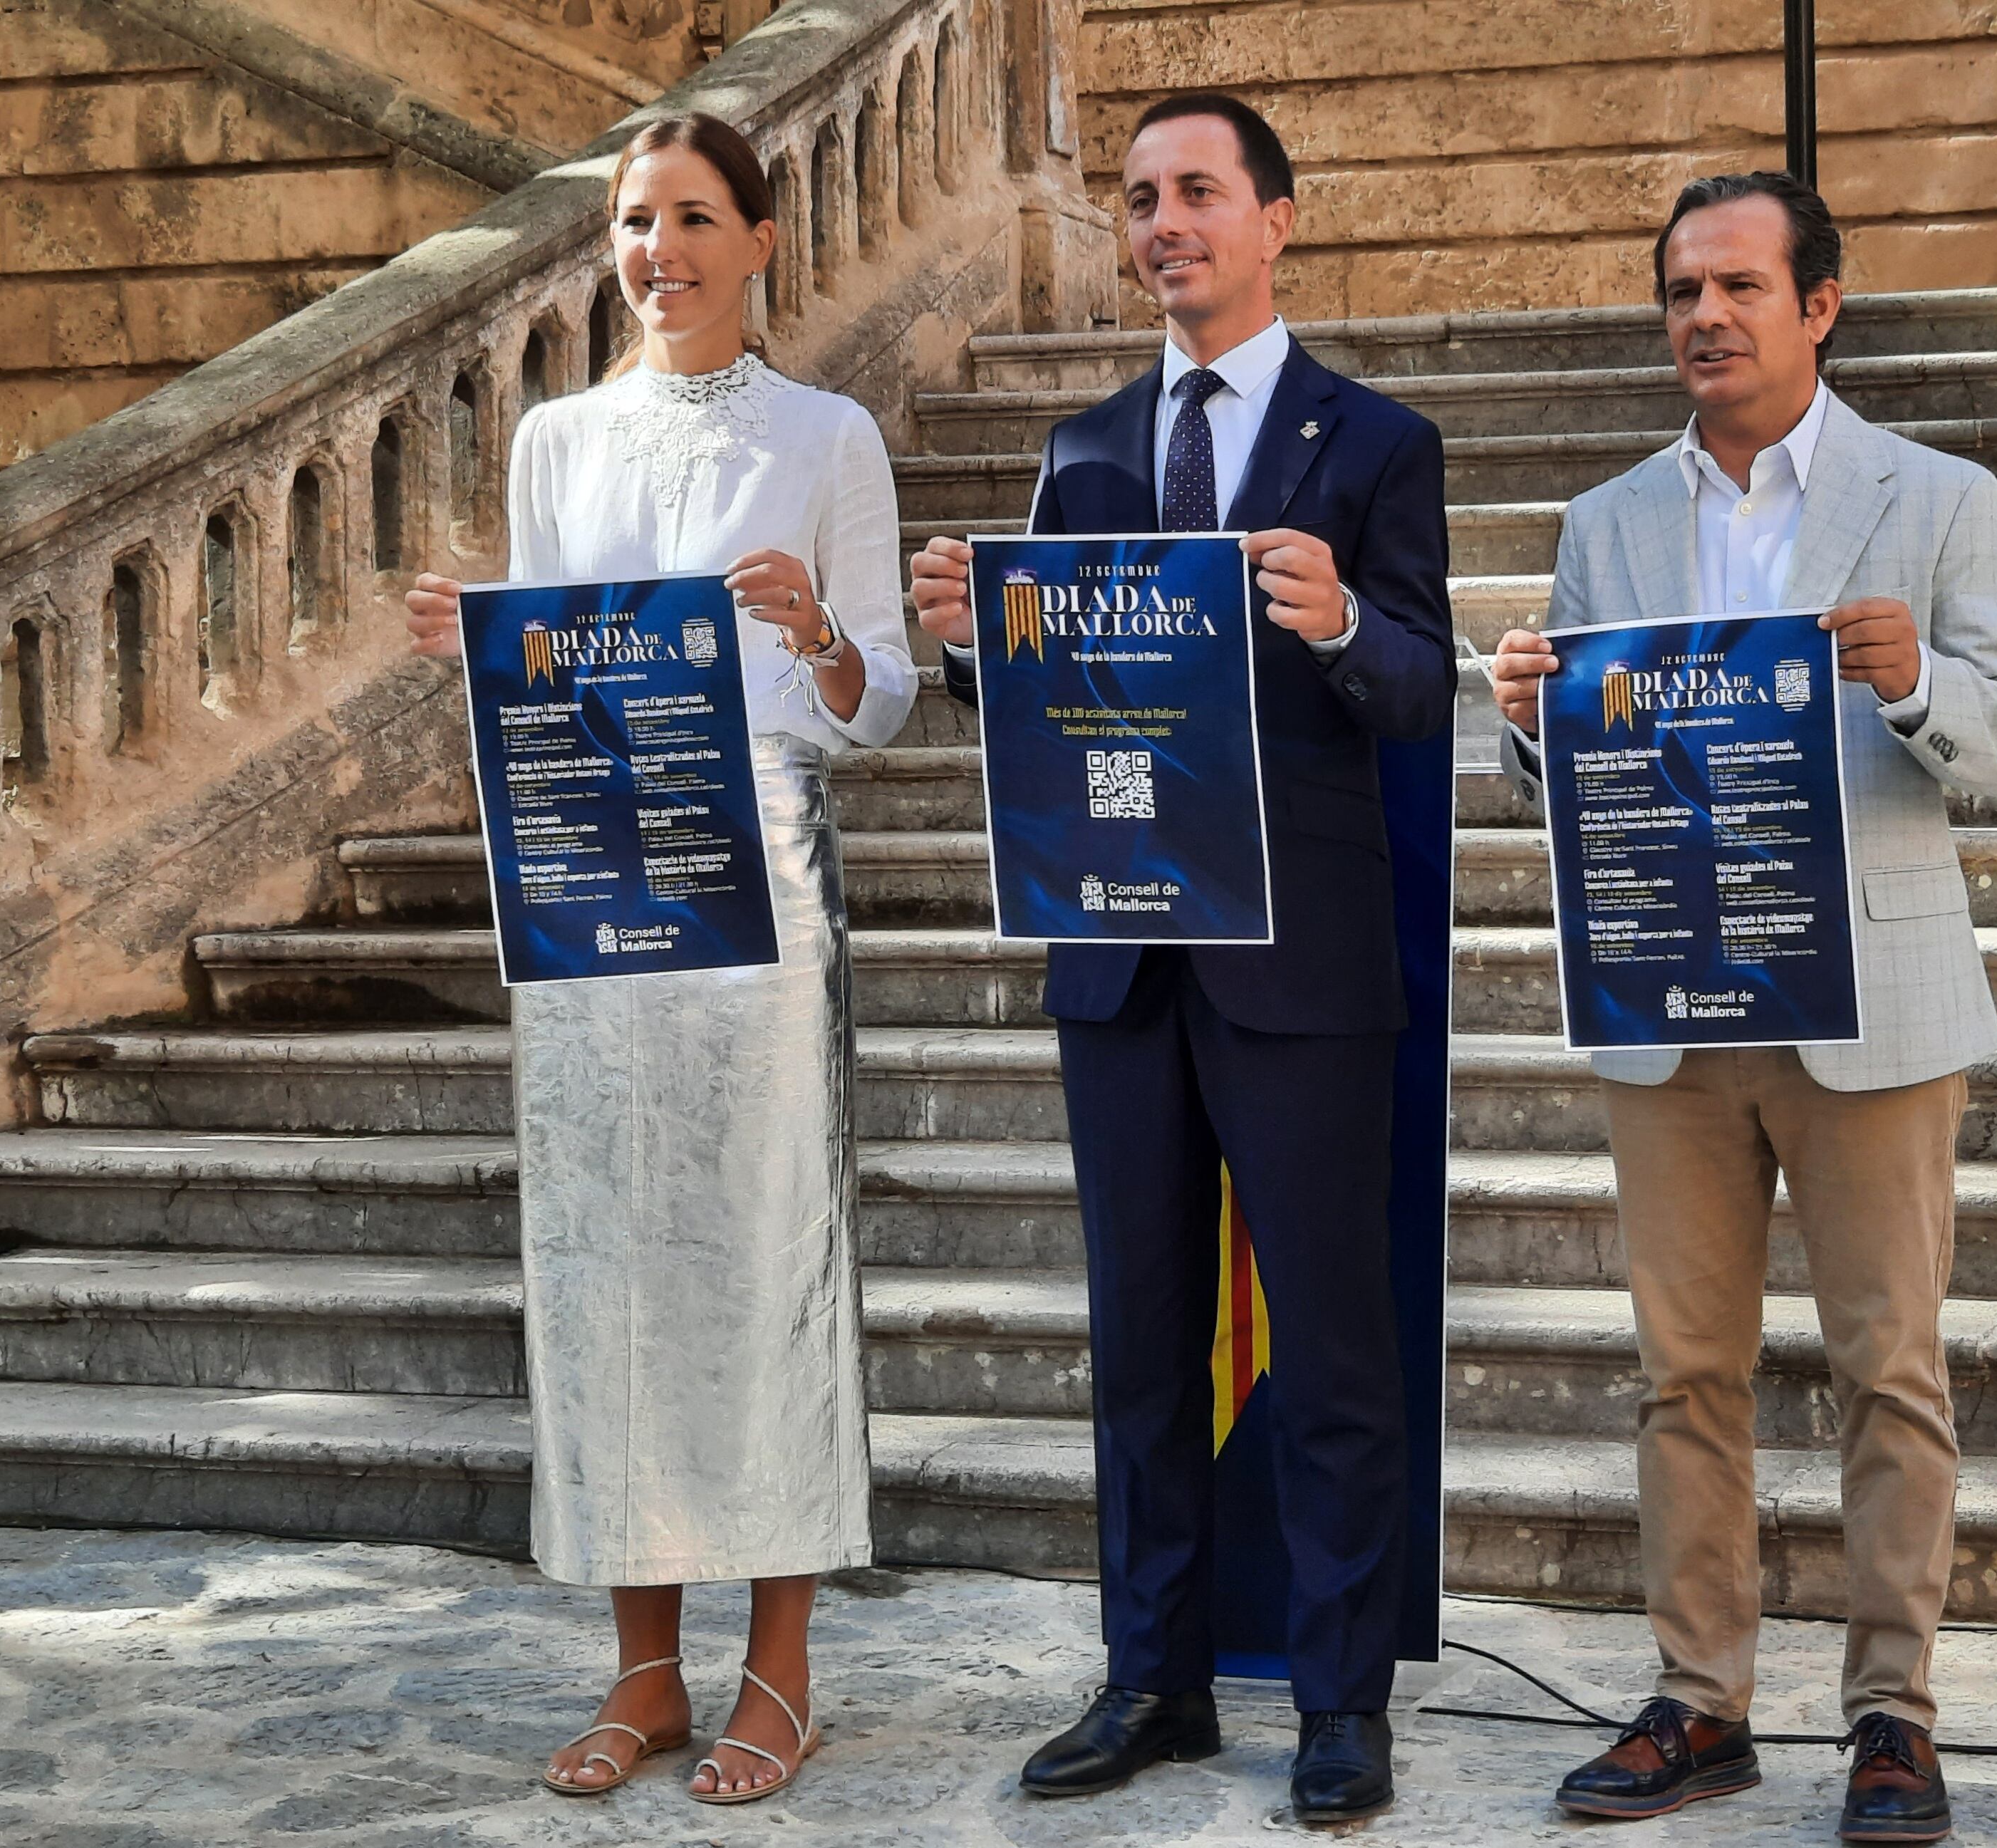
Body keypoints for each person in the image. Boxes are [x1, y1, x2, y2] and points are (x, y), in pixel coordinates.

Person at [909, 93, 1453, 1826]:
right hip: (1122, 962)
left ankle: (1340, 1699)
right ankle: (1151, 1678)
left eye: (1198, 191)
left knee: (1337, 1346)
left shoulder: (1373, 444)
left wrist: (1343, 624)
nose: (1164, 222)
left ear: (1277, 219)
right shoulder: (1075, 455)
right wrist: (963, 650)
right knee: (1141, 1341)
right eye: (1138, 198)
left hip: (1303, 969)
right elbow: (1062, 717)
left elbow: (1427, 687)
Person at [1490, 172, 1997, 1845]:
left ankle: (1892, 1718)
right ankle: (1698, 1701)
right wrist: (1524, 714)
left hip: (1869, 1001)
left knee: (1889, 1371)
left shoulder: (1937, 497)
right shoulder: (1606, 521)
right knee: (1684, 1376)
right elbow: (1573, 776)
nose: (1704, 318)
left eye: (1738, 286)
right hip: (1672, 999)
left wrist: (1916, 683)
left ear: (1820, 304)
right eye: (1680, 291)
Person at [402, 111, 914, 1807]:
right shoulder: (556, 441)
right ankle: (644, 1668)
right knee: (611, 1268)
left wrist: (821, 633)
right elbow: (546, 684)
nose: (661, 250)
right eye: (635, 222)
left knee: (767, 1264)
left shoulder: (831, 436)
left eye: (696, 218)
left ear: (762, 241)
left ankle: (779, 1667)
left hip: (760, 887)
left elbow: (887, 702)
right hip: (593, 901)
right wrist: (478, 642)